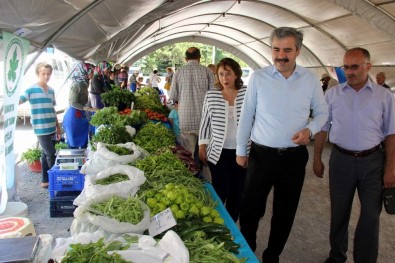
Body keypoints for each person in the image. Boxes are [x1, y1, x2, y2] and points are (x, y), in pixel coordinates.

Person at [235, 27, 328, 262]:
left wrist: (310, 129)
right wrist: (240, 151)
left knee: (284, 213)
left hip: (294, 159)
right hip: (261, 155)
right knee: (250, 210)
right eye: (276, 49)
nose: (280, 55)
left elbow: (322, 113)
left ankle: (272, 256)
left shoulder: (310, 80)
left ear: (298, 51)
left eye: (287, 50)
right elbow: (246, 116)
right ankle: (249, 251)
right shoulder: (258, 77)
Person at [313, 47, 395, 263]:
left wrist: (390, 168)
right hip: (341, 161)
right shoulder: (332, 95)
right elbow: (322, 128)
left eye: (355, 67)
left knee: (370, 215)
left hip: (373, 163)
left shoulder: (384, 96)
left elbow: (391, 134)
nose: (349, 72)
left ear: (368, 66)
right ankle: (337, 256)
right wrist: (317, 158)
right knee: (339, 212)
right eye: (346, 67)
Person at [199, 58, 247, 222]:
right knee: (221, 189)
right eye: (221, 74)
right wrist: (201, 147)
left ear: (236, 74)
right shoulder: (211, 95)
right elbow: (205, 122)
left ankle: (231, 224)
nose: (224, 78)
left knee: (237, 192)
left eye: (228, 74)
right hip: (217, 152)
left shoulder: (247, 94)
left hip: (242, 153)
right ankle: (218, 221)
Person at [19, 62, 62, 188]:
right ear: (38, 74)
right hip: (40, 129)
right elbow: (20, 100)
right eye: (43, 73)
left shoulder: (52, 91)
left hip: (52, 129)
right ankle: (55, 180)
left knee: (45, 154)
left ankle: (45, 180)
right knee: (51, 154)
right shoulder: (31, 90)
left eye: (48, 74)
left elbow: (52, 110)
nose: (46, 76)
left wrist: (58, 128)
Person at [169, 47, 215, 157]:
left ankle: (192, 173)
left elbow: (173, 97)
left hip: (185, 120)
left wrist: (181, 107)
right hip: (204, 120)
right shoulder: (207, 71)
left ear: (185, 59)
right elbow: (214, 95)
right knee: (206, 154)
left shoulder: (178, 72)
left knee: (188, 154)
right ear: (199, 57)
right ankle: (207, 173)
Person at [62, 62, 97, 149]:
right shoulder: (77, 84)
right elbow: (73, 102)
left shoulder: (84, 83)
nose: (93, 74)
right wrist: (88, 108)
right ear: (85, 72)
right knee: (74, 142)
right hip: (73, 116)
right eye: (91, 72)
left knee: (81, 139)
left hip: (79, 114)